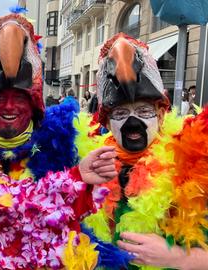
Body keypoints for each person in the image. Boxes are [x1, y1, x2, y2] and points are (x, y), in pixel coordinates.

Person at [0, 14, 119, 269]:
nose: (9, 106)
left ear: (34, 104)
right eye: (0, 97)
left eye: (19, 98)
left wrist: (79, 178)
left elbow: (66, 218)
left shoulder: (64, 144)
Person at [82, 33, 208, 269]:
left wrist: (176, 257)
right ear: (107, 124)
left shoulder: (195, 163)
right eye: (120, 114)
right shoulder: (92, 165)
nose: (132, 122)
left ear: (161, 115)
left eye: (143, 110)